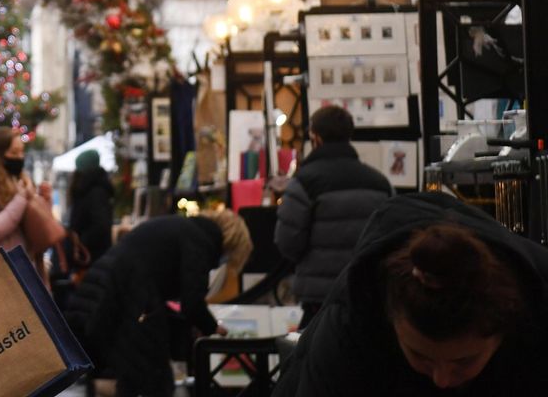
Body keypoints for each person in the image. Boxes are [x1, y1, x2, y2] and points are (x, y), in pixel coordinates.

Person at [274, 191, 548, 396]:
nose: (442, 379)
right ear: (391, 321)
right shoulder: (349, 328)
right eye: (421, 356)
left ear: (506, 329)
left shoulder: (536, 313)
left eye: (465, 360)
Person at [66, 209, 253, 397]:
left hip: (101, 292)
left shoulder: (181, 227)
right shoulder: (200, 241)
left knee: (128, 374)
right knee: (152, 379)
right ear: (232, 242)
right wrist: (215, 328)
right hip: (131, 298)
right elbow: (193, 303)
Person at [274, 104, 392, 328]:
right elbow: (389, 238)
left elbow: (287, 242)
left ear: (315, 137)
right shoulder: (380, 183)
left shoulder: (304, 183)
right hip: (368, 294)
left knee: (317, 360)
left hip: (319, 300)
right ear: (349, 135)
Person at [0, 126, 36, 263]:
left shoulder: (18, 180)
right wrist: (21, 198)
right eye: (14, 153)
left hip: (17, 263)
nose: (20, 158)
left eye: (22, 152)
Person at [68, 149, 114, 263]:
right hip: (93, 255)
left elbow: (101, 224)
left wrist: (81, 241)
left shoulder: (94, 192)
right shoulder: (94, 189)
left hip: (92, 257)